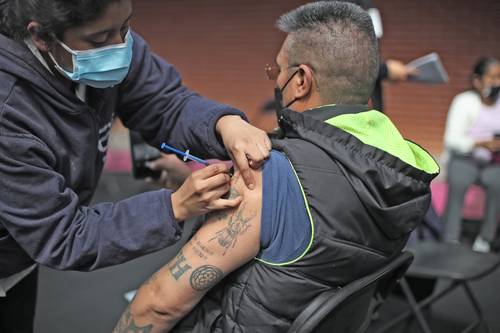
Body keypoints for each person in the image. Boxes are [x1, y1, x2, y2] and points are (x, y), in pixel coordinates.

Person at [114, 2, 439, 332]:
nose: (275, 77)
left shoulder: (269, 176)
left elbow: (158, 305)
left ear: (300, 80)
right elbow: (316, 208)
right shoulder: (398, 172)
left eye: (277, 70)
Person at [0, 0, 271, 331]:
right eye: (100, 40)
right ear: (41, 36)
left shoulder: (94, 46)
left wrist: (224, 124)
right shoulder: (8, 113)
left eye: (126, 27)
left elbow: (164, 103)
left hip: (18, 267)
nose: (120, 47)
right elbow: (65, 234)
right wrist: (173, 207)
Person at [442, 57, 500, 253]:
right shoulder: (463, 102)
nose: (497, 82)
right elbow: (452, 140)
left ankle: (486, 238)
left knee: (497, 184)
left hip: (493, 163)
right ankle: (450, 238)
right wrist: (480, 143)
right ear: (477, 80)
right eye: (493, 77)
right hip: (466, 159)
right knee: (458, 181)